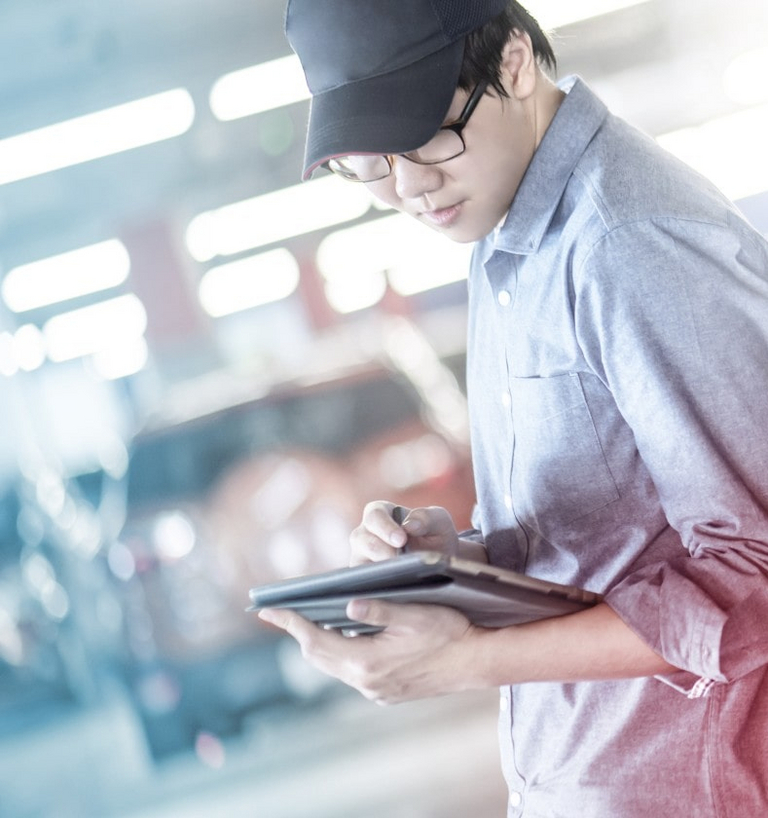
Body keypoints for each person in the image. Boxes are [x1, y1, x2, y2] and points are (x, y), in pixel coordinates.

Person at [258, 1, 768, 815]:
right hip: (579, 778)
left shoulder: (626, 242)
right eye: (371, 166)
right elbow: (611, 539)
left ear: (516, 63)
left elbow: (756, 575)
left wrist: (464, 662)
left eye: (426, 138)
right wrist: (463, 558)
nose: (409, 187)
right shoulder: (502, 235)